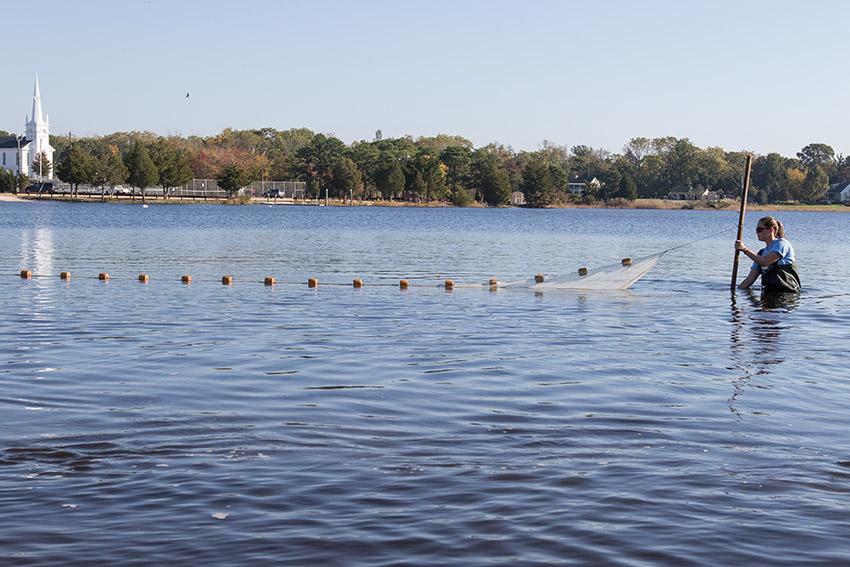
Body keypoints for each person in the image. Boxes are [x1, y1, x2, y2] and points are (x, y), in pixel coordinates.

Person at [736, 216, 801, 293]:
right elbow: (749, 280)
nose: (757, 233)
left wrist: (745, 249)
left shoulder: (782, 244)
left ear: (771, 230)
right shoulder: (761, 253)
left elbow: (766, 262)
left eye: (759, 230)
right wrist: (735, 292)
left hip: (787, 294)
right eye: (756, 230)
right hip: (768, 294)